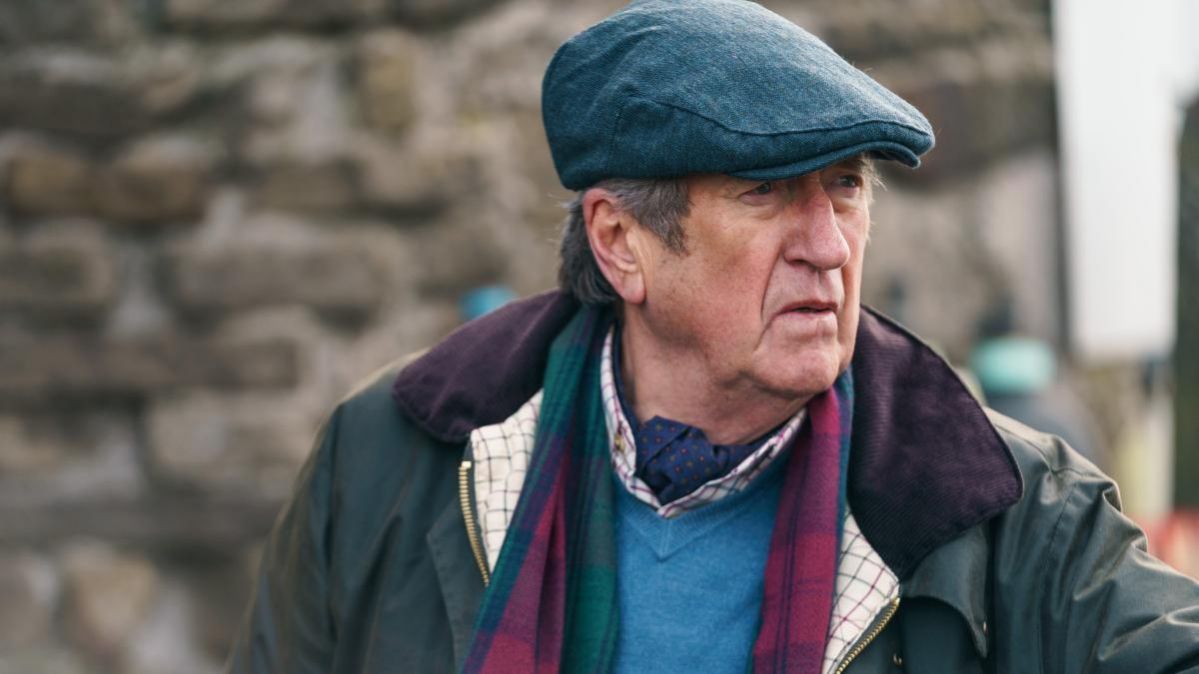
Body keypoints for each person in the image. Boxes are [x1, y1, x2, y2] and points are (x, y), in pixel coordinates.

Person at [226, 1, 1199, 672]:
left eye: (845, 189)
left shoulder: (1001, 506)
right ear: (621, 243)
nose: (827, 246)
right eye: (764, 192)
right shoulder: (390, 457)